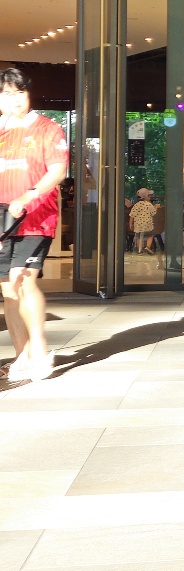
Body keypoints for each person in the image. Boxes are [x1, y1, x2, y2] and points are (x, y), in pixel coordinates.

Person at [0, 68, 69, 384]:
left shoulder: (48, 129)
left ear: (29, 94)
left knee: (22, 279)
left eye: (19, 93)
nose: (13, 100)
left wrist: (28, 196)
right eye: (6, 93)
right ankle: (22, 356)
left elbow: (57, 171)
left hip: (36, 215)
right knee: (7, 288)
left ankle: (40, 352)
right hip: (2, 215)